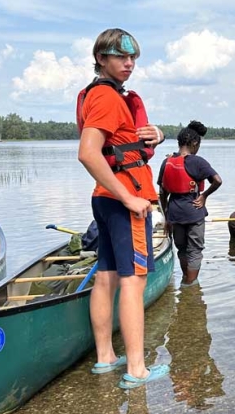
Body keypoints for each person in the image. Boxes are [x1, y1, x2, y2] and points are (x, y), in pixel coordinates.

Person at [76, 28, 168, 389]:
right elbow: (88, 153)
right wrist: (130, 198)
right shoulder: (108, 98)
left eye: (133, 58)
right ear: (101, 58)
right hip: (124, 200)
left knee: (107, 274)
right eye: (120, 57)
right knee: (133, 280)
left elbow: (121, 144)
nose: (129, 64)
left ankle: (105, 357)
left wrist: (156, 135)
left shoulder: (97, 94)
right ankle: (137, 368)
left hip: (104, 198)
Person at [157, 121, 222, 287]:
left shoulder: (167, 162)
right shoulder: (198, 162)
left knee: (182, 248)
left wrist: (166, 217)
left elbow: (163, 192)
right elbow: (217, 181)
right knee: (195, 250)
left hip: (174, 213)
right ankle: (191, 284)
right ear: (194, 143)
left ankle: (186, 279)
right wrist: (205, 195)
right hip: (194, 210)